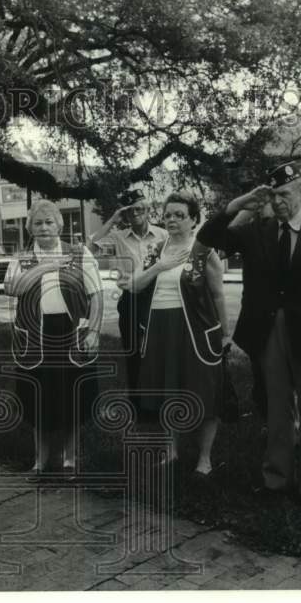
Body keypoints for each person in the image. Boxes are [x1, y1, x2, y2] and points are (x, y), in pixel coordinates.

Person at [196, 164, 301, 506]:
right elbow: (208, 238)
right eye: (273, 195)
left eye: (285, 194)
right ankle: (276, 478)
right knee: (277, 410)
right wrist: (239, 204)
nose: (278, 202)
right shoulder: (257, 230)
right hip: (267, 333)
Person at [127, 192, 229, 475]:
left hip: (195, 331)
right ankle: (170, 451)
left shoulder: (204, 251)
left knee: (204, 391)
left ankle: (204, 458)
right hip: (161, 328)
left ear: (194, 220)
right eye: (168, 215)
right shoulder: (155, 250)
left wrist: (225, 335)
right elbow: (134, 286)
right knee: (167, 390)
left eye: (179, 215)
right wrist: (160, 266)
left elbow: (219, 296)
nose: (171, 220)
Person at [4, 200, 103, 478]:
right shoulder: (21, 257)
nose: (44, 228)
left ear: (60, 225)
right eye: (38, 223)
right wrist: (47, 267)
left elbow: (96, 295)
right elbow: (13, 288)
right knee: (38, 398)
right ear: (30, 228)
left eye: (49, 222)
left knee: (71, 396)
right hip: (35, 335)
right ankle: (40, 461)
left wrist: (94, 331)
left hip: (71, 332)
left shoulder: (79, 253)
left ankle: (69, 460)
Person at [88, 186, 167, 404]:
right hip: (131, 301)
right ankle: (138, 403)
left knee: (158, 351)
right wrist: (113, 218)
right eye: (130, 210)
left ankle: (160, 400)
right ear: (125, 214)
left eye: (139, 208)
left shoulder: (163, 234)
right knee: (133, 354)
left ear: (147, 208)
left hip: (158, 298)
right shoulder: (117, 237)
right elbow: (91, 247)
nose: (135, 213)